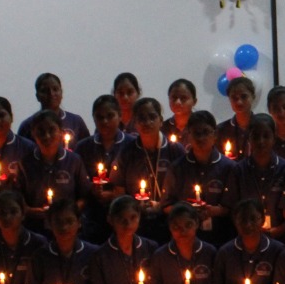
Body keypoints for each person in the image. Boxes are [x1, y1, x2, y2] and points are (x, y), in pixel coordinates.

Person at [160, 110, 239, 246]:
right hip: (184, 237)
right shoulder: (177, 167)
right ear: (188, 135)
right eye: (196, 133)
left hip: (220, 237)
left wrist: (213, 211)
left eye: (206, 132)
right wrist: (187, 211)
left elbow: (234, 206)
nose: (201, 138)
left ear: (215, 135)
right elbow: (166, 205)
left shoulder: (230, 167)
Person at [113, 97, 185, 244]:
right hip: (136, 222)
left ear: (161, 120)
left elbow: (185, 189)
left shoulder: (175, 150)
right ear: (134, 122)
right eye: (141, 118)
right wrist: (134, 206)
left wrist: (163, 206)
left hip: (171, 222)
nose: (147, 122)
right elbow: (119, 190)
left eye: (152, 117)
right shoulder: (127, 151)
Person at [17, 109, 89, 232]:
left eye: (51, 130)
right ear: (33, 133)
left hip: (68, 227)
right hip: (35, 228)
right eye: (41, 131)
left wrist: (67, 212)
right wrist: (31, 211)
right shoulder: (25, 163)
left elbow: (84, 196)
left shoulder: (74, 161)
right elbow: (19, 199)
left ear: (61, 132)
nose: (47, 136)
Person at [73, 94, 132, 242]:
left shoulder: (131, 145)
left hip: (125, 213)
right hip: (92, 215)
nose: (105, 121)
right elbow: (77, 183)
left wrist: (116, 193)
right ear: (94, 119)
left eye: (110, 116)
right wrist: (91, 189)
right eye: (100, 117)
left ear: (120, 116)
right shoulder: (83, 147)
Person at [231, 114, 285, 242]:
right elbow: (233, 208)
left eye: (266, 136)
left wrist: (281, 229)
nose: (261, 141)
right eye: (255, 136)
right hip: (247, 238)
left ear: (274, 137)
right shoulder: (239, 170)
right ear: (249, 138)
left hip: (282, 240)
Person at [17, 72, 90, 143]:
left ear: (61, 93)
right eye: (45, 91)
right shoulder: (27, 125)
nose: (51, 94)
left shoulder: (76, 122)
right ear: (37, 96)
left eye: (55, 89)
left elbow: (86, 147)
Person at [215, 76, 258, 160]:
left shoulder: (262, 127)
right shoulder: (221, 130)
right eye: (234, 98)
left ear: (253, 97)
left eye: (244, 96)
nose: (239, 102)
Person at [164, 78, 198, 144]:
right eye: (174, 98)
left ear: (194, 101)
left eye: (183, 98)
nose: (178, 102)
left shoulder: (201, 127)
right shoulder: (163, 128)